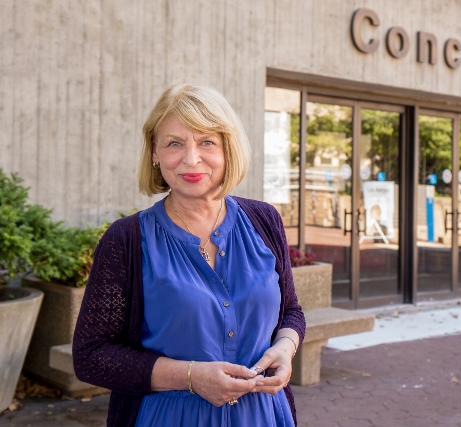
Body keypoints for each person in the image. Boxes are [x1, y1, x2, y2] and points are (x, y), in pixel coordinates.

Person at [73, 84, 306, 427]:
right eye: (174, 143)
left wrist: (286, 348)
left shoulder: (265, 220)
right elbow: (91, 356)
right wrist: (191, 376)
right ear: (154, 152)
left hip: (265, 416)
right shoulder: (125, 240)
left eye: (207, 142)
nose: (191, 158)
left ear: (229, 148)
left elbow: (291, 312)